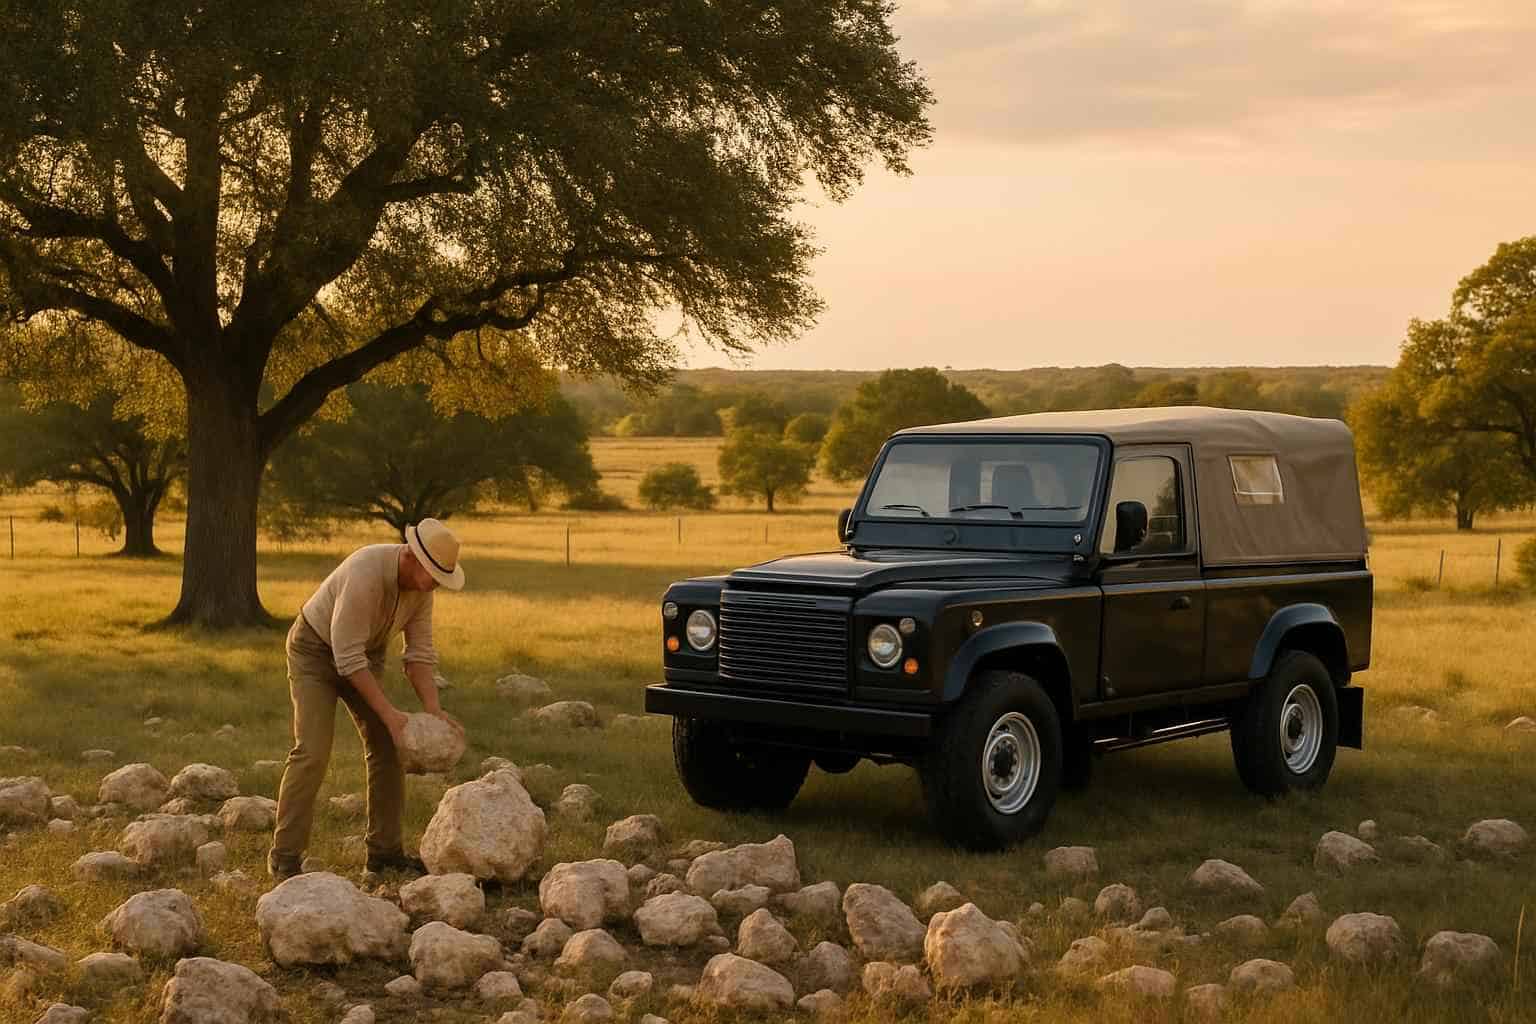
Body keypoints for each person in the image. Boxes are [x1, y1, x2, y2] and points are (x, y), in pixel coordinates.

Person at [268, 518, 466, 880]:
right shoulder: (366, 573)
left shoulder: (423, 593)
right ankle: (285, 857)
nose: (436, 585)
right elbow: (345, 658)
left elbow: (419, 654)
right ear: (411, 557)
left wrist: (433, 710)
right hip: (314, 652)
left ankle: (384, 854)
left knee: (389, 745)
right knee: (312, 751)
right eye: (433, 576)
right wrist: (389, 714)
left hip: (364, 655)